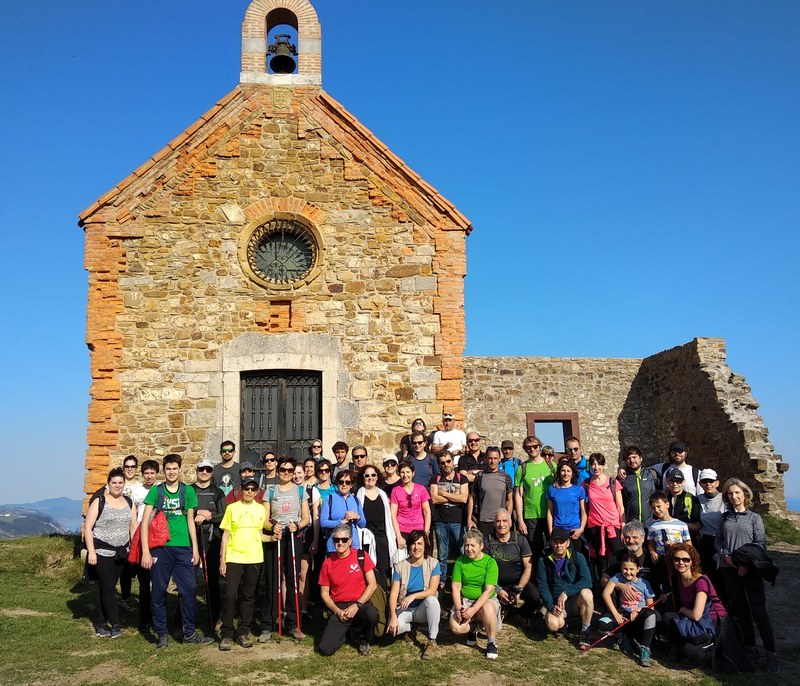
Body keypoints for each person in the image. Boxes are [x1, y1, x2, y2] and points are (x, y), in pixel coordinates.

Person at [140, 454, 213, 648]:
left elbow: (191, 521)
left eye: (174, 468)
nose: (171, 472)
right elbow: (145, 522)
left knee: (189, 590)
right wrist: (145, 551)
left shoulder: (187, 491)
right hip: (160, 548)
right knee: (158, 592)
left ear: (180, 469)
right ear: (164, 470)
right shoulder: (156, 492)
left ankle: (189, 633)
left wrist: (195, 548)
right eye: (168, 469)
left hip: (183, 548)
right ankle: (162, 634)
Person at [716, 478, 779, 673]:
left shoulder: (754, 518)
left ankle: (772, 654)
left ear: (745, 494)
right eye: (729, 493)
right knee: (741, 610)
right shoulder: (724, 518)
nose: (733, 496)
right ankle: (751, 648)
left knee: (758, 612)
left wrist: (745, 564)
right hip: (729, 570)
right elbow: (719, 540)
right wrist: (725, 555)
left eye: (737, 493)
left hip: (750, 571)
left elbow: (760, 544)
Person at [84, 467, 138, 638]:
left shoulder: (129, 502)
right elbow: (88, 528)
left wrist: (133, 550)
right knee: (108, 588)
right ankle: (116, 623)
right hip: (101, 552)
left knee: (107, 588)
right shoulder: (99, 501)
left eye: (120, 483)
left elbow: (133, 526)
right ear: (108, 484)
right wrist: (91, 552)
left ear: (124, 484)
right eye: (114, 482)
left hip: (121, 552)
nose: (117, 485)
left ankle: (101, 624)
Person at [218, 475, 268, 650]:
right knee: (230, 596)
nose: (250, 491)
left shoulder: (261, 509)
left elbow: (260, 534)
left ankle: (243, 632)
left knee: (248, 596)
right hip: (234, 557)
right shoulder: (232, 508)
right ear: (241, 490)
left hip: (254, 557)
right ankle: (226, 633)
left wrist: (273, 537)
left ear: (257, 492)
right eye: (247, 488)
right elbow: (225, 535)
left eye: (253, 489)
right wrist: (222, 559)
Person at [264, 457, 311, 640]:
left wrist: (298, 526)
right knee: (273, 580)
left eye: (290, 470)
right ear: (278, 471)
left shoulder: (300, 491)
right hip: (276, 537)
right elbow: (265, 519)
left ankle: (293, 623)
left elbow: (306, 518)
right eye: (283, 470)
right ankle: (269, 623)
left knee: (292, 580)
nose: (286, 473)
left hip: (293, 538)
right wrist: (271, 527)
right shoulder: (270, 490)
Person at [318, 524, 379, 656]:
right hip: (338, 607)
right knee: (325, 649)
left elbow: (372, 584)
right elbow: (324, 593)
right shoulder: (327, 563)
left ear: (350, 541)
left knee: (372, 615)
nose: (340, 543)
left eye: (344, 540)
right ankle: (348, 633)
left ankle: (363, 640)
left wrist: (357, 605)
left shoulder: (361, 556)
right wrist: (337, 611)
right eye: (336, 540)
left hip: (359, 603)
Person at [663, 542, 726, 664]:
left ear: (692, 561)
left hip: (710, 622)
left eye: (686, 559)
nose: (681, 563)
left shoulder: (700, 581)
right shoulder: (679, 577)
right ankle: (679, 645)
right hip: (692, 619)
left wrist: (681, 609)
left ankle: (711, 649)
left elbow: (697, 615)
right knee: (667, 618)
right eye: (676, 559)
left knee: (691, 653)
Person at [535, 527, 594, 648]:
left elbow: (587, 581)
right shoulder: (543, 560)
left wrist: (566, 592)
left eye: (562, 542)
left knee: (587, 593)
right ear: (551, 542)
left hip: (574, 600)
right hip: (556, 602)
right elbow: (543, 587)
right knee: (553, 625)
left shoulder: (578, 557)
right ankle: (563, 624)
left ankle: (585, 631)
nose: (558, 545)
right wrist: (551, 606)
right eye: (555, 542)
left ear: (567, 543)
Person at [387, 530, 441, 659]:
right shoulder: (400, 566)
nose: (416, 547)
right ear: (409, 546)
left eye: (419, 543)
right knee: (392, 631)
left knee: (432, 600)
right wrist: (393, 617)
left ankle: (432, 640)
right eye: (413, 544)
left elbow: (432, 590)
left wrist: (413, 596)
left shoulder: (433, 564)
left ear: (425, 546)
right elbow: (394, 594)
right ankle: (411, 627)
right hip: (405, 609)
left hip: (423, 608)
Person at [449, 529, 501, 659]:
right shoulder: (460, 562)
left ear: (481, 546)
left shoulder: (490, 562)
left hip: (485, 601)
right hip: (465, 600)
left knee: (487, 607)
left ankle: (491, 643)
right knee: (455, 627)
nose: (469, 549)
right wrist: (459, 608)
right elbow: (455, 586)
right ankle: (473, 628)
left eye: (473, 545)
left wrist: (473, 610)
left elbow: (489, 590)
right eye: (466, 545)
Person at [484, 509, 539, 625]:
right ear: (494, 523)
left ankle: (520, 614)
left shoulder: (520, 541)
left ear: (510, 523)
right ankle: (501, 608)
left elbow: (528, 567)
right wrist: (497, 590)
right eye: (498, 521)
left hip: (517, 583)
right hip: (494, 584)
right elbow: (483, 570)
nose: (501, 524)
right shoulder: (488, 541)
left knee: (535, 596)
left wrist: (519, 589)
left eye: (504, 521)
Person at [191, 459, 227, 633]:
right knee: (188, 580)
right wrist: (195, 514)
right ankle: (183, 619)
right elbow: (183, 511)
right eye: (201, 469)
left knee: (212, 580)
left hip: (212, 540)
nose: (204, 472)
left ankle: (215, 617)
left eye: (208, 469)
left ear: (212, 472)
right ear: (196, 470)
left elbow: (224, 515)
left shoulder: (217, 492)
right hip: (192, 539)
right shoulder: (189, 490)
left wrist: (208, 517)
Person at [601, 553, 656, 666]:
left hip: (637, 615)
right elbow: (606, 593)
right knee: (602, 624)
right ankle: (624, 638)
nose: (628, 572)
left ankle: (645, 649)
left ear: (638, 569)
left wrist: (638, 610)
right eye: (625, 568)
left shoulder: (644, 584)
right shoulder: (617, 577)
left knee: (651, 615)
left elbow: (651, 606)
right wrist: (615, 613)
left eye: (632, 569)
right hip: (623, 614)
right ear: (621, 567)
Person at [429, 450, 468, 588]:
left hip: (458, 520)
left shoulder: (461, 478)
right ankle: (442, 581)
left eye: (448, 461)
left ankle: (465, 578)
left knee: (464, 551)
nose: (446, 464)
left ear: (452, 461)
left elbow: (464, 498)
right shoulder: (435, 479)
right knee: (442, 554)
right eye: (442, 462)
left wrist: (443, 493)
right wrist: (454, 495)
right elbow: (434, 498)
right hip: (440, 521)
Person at [584, 453, 625, 580]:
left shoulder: (613, 482)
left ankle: (619, 585)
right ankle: (602, 588)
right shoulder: (586, 484)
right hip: (595, 526)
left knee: (618, 556)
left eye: (599, 464)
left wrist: (623, 527)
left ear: (604, 465)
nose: (596, 467)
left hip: (613, 525)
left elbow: (620, 507)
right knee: (600, 559)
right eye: (593, 464)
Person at [357, 464, 397, 586]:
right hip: (366, 540)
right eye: (367, 475)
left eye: (373, 475)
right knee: (367, 571)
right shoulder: (358, 496)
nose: (370, 478)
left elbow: (390, 518)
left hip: (382, 538)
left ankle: (383, 598)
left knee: (383, 570)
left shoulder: (383, 495)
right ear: (363, 478)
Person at [130, 459, 159, 630]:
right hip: (140, 538)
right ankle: (144, 618)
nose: (149, 476)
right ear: (142, 474)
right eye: (146, 473)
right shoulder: (136, 492)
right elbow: (133, 518)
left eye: (152, 473)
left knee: (158, 581)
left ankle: (157, 617)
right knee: (143, 582)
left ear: (156, 474)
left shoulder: (161, 490)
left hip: (156, 537)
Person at [515, 435, 554, 562]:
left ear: (540, 446)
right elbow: (518, 496)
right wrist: (520, 519)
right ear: (525, 449)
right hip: (531, 515)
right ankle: (536, 579)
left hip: (550, 514)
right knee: (534, 551)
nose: (532, 449)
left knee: (554, 548)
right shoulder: (522, 468)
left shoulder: (551, 466)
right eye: (528, 447)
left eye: (535, 446)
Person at [647, 492, 692, 595]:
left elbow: (689, 545)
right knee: (665, 585)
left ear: (667, 504)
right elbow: (651, 543)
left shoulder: (681, 525)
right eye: (653, 508)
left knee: (679, 584)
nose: (657, 510)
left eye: (659, 506)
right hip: (662, 560)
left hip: (677, 560)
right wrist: (652, 552)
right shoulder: (652, 525)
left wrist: (676, 546)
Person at [466, 446, 513, 538]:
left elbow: (510, 500)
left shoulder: (506, 477)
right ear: (486, 459)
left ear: (499, 459)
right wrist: (469, 519)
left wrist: (508, 518)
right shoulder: (480, 476)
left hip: (500, 522)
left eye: (495, 458)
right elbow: (472, 498)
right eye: (490, 458)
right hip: (483, 522)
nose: (493, 461)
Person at [546, 459, 587, 557]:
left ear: (572, 473)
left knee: (577, 559)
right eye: (563, 471)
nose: (565, 473)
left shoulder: (579, 490)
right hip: (559, 531)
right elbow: (549, 512)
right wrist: (551, 532)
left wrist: (581, 529)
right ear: (559, 472)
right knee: (560, 560)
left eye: (568, 471)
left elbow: (583, 512)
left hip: (575, 531)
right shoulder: (552, 489)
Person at [696, 469, 726, 600]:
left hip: (721, 540)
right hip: (705, 541)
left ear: (717, 483)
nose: (708, 484)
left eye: (711, 481)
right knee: (708, 574)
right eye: (704, 481)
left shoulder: (725, 499)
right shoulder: (698, 500)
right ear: (701, 484)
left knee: (723, 576)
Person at [320, 469, 367, 552]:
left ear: (351, 485)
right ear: (337, 484)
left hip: (353, 545)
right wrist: (341, 521)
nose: (344, 485)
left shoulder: (356, 500)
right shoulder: (329, 499)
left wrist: (357, 516)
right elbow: (323, 522)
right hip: (335, 545)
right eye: (341, 482)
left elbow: (363, 524)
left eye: (347, 482)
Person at [390, 461, 432, 550]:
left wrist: (426, 532)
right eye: (402, 472)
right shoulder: (396, 491)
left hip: (418, 530)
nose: (405, 475)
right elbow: (393, 515)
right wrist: (398, 536)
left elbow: (427, 512)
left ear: (413, 473)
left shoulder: (421, 489)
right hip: (402, 530)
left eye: (408, 472)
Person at [619, 445, 658, 524]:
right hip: (632, 524)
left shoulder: (651, 474)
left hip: (651, 524)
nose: (632, 460)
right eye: (628, 458)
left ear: (641, 458)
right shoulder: (622, 478)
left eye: (634, 457)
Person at [665, 468, 701, 539]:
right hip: (667, 539)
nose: (675, 484)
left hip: (687, 539)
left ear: (684, 482)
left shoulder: (691, 499)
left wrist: (677, 524)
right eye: (671, 480)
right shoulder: (663, 498)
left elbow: (697, 526)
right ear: (667, 482)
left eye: (678, 481)